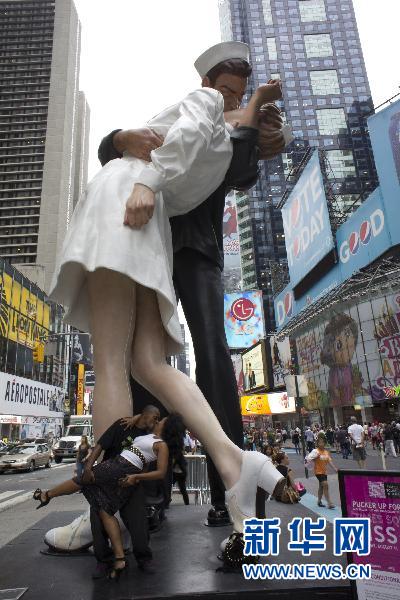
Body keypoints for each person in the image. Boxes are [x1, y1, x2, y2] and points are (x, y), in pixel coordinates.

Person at [48, 40, 285, 546]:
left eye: (238, 96)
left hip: (128, 205)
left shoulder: (209, 117)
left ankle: (104, 513)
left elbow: (191, 133)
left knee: (114, 364)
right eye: (227, 92)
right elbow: (157, 140)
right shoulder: (220, 138)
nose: (228, 101)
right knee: (148, 365)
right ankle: (234, 462)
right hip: (149, 222)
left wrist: (148, 181)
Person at [33, 414, 186, 580]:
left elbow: (160, 471)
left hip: (121, 470)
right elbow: (146, 418)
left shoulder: (159, 443)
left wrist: (136, 477)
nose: (157, 421)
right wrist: (136, 418)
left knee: (84, 482)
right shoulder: (145, 434)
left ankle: (47, 495)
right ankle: (117, 559)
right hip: (117, 469)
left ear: (166, 427)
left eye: (161, 420)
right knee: (103, 513)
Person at [307, 435, 337, 509]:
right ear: (317, 444)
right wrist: (314, 458)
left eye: (322, 442)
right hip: (318, 471)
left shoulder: (326, 452)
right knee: (325, 484)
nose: (321, 444)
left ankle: (319, 501)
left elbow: (329, 461)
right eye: (319, 443)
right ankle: (329, 503)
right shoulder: (315, 451)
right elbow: (308, 458)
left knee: (321, 486)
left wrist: (335, 469)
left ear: (325, 443)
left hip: (324, 472)